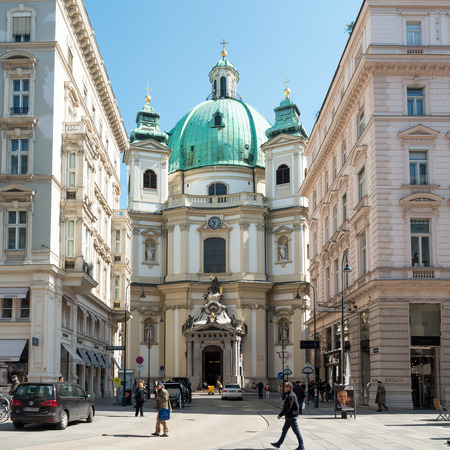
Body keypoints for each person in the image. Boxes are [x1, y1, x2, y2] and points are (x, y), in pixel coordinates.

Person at [271, 382, 305, 450]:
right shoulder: (290, 394)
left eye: (286, 386)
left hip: (291, 416)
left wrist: (280, 415)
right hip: (289, 416)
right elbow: (288, 406)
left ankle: (301, 446)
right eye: (284, 386)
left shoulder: (290, 395)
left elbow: (288, 407)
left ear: (289, 387)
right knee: (284, 430)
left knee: (296, 431)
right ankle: (278, 443)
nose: (284, 388)